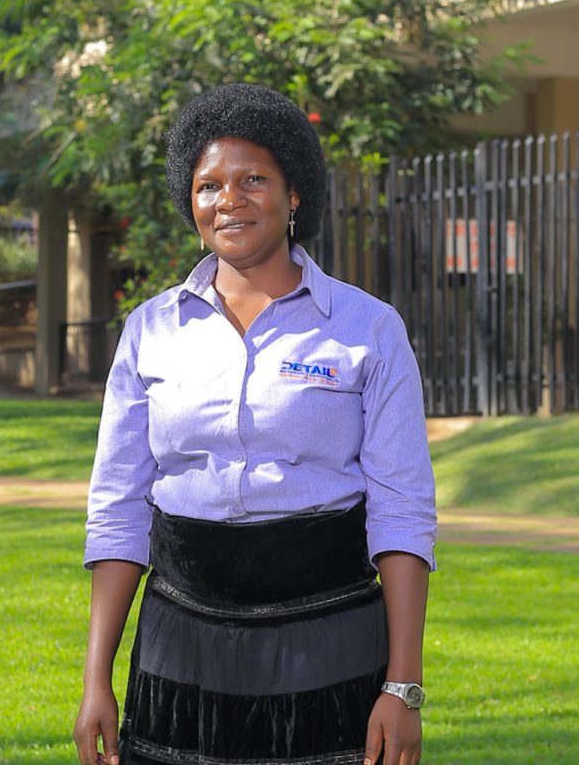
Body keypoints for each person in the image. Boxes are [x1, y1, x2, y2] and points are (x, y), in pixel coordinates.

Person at [73, 83, 437, 765]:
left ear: (294, 194)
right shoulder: (149, 331)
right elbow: (118, 508)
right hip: (180, 647)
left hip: (329, 641)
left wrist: (402, 686)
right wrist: (97, 680)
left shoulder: (369, 329)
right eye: (208, 184)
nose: (228, 199)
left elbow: (403, 511)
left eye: (253, 180)